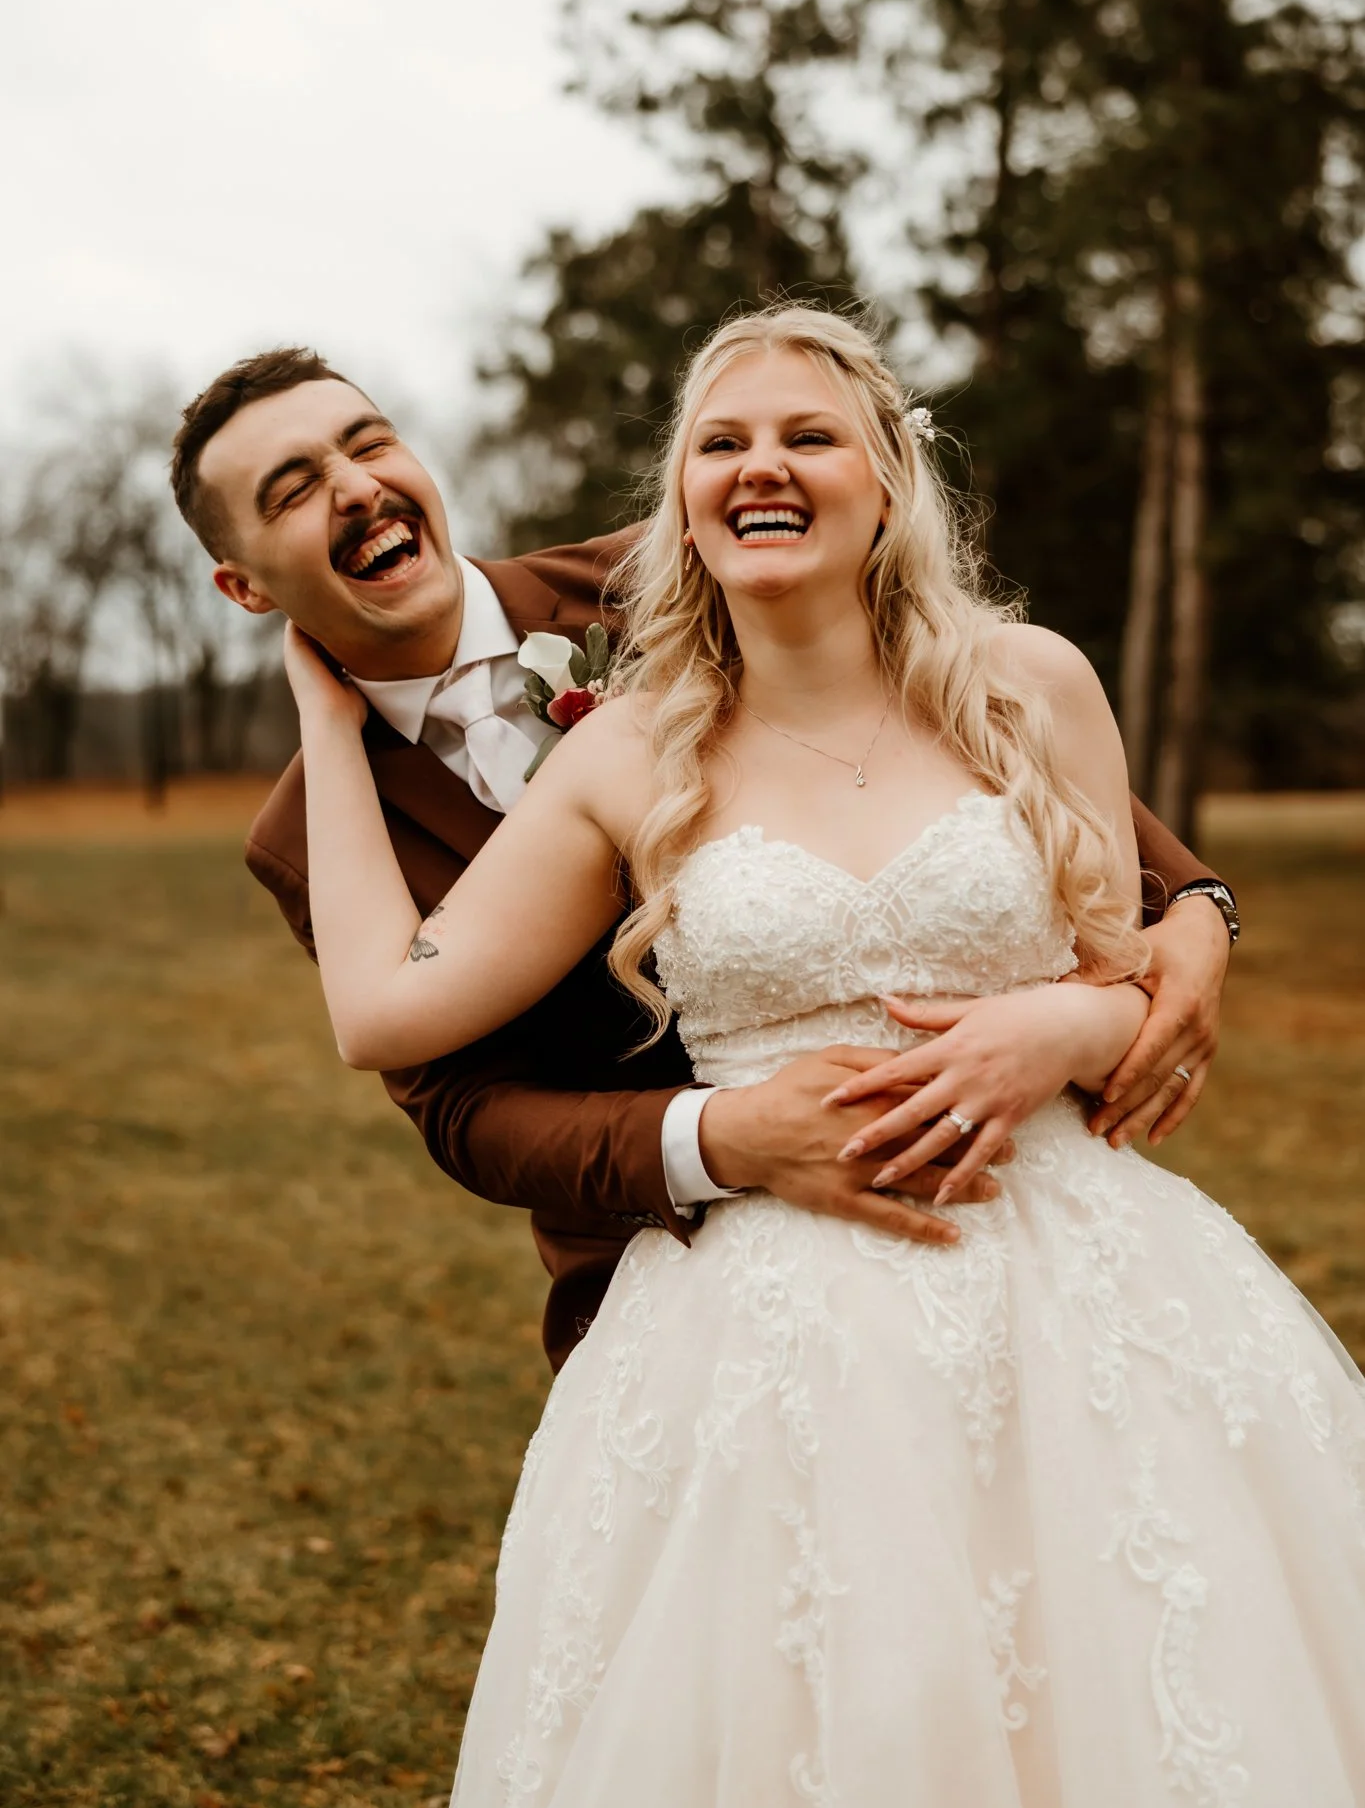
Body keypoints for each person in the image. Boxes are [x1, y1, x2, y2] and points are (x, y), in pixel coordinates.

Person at [282, 304, 1365, 1808]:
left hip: (1082, 1286)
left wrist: (1070, 1018)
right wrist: (319, 713)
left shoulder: (1031, 682)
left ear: (888, 475)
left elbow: (1141, 947)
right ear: (681, 501)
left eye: (806, 434)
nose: (759, 465)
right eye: (720, 442)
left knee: (1156, 1694)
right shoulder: (626, 754)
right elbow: (386, 1015)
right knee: (863, 1711)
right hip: (776, 1321)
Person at [170, 347, 1234, 1374]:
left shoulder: (706, 551)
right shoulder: (313, 835)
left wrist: (1188, 907)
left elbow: (974, 742)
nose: (355, 488)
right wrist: (725, 1135)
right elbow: (461, 1104)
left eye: (368, 443)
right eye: (294, 489)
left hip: (1022, 1204)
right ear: (245, 586)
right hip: (687, 1264)